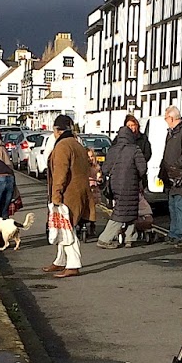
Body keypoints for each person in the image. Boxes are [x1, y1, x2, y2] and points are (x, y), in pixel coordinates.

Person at [44, 114, 94, 277]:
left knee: (67, 229)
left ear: (56, 130)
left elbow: (60, 173)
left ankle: (73, 264)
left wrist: (56, 196)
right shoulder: (77, 144)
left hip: (68, 194)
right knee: (62, 228)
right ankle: (60, 261)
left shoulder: (62, 146)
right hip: (79, 190)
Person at [97, 118, 149, 248]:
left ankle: (130, 238)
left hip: (115, 185)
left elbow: (105, 169)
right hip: (130, 185)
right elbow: (143, 169)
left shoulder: (112, 150)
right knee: (122, 212)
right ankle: (104, 239)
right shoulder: (135, 149)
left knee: (129, 210)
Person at [161, 106, 182, 241]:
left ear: (171, 117)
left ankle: (178, 234)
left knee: (181, 206)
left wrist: (174, 166)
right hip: (171, 177)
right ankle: (173, 232)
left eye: (166, 118)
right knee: (173, 206)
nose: (165, 121)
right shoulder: (172, 132)